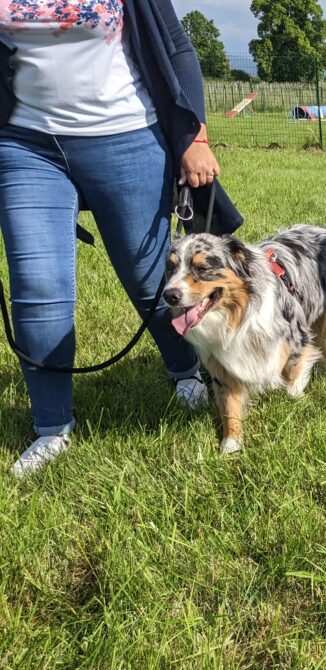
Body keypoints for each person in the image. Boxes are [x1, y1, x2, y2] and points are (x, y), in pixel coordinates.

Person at [0, 0, 243, 477]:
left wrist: (194, 136)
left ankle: (185, 371)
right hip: (25, 143)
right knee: (36, 288)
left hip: (127, 137)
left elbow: (176, 49)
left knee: (151, 279)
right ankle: (51, 429)